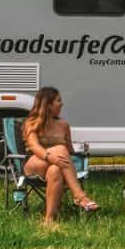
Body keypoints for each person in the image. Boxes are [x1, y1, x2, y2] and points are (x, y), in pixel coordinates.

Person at [22, 86, 98, 222]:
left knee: (55, 171)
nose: (62, 104)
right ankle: (79, 196)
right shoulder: (32, 123)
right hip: (35, 164)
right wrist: (52, 157)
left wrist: (60, 160)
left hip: (57, 165)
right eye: (58, 100)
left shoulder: (64, 125)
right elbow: (34, 147)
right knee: (60, 150)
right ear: (48, 104)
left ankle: (49, 219)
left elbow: (70, 151)